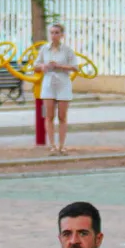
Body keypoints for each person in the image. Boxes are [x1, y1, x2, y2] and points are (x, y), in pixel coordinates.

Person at [36, 24, 77, 155]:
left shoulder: (67, 50)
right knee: (49, 116)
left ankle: (62, 145)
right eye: (52, 33)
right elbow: (35, 66)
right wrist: (43, 66)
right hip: (48, 84)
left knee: (62, 116)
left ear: (62, 35)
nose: (54, 35)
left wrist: (59, 66)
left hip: (63, 84)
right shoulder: (44, 49)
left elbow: (75, 67)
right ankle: (52, 145)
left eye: (57, 33)